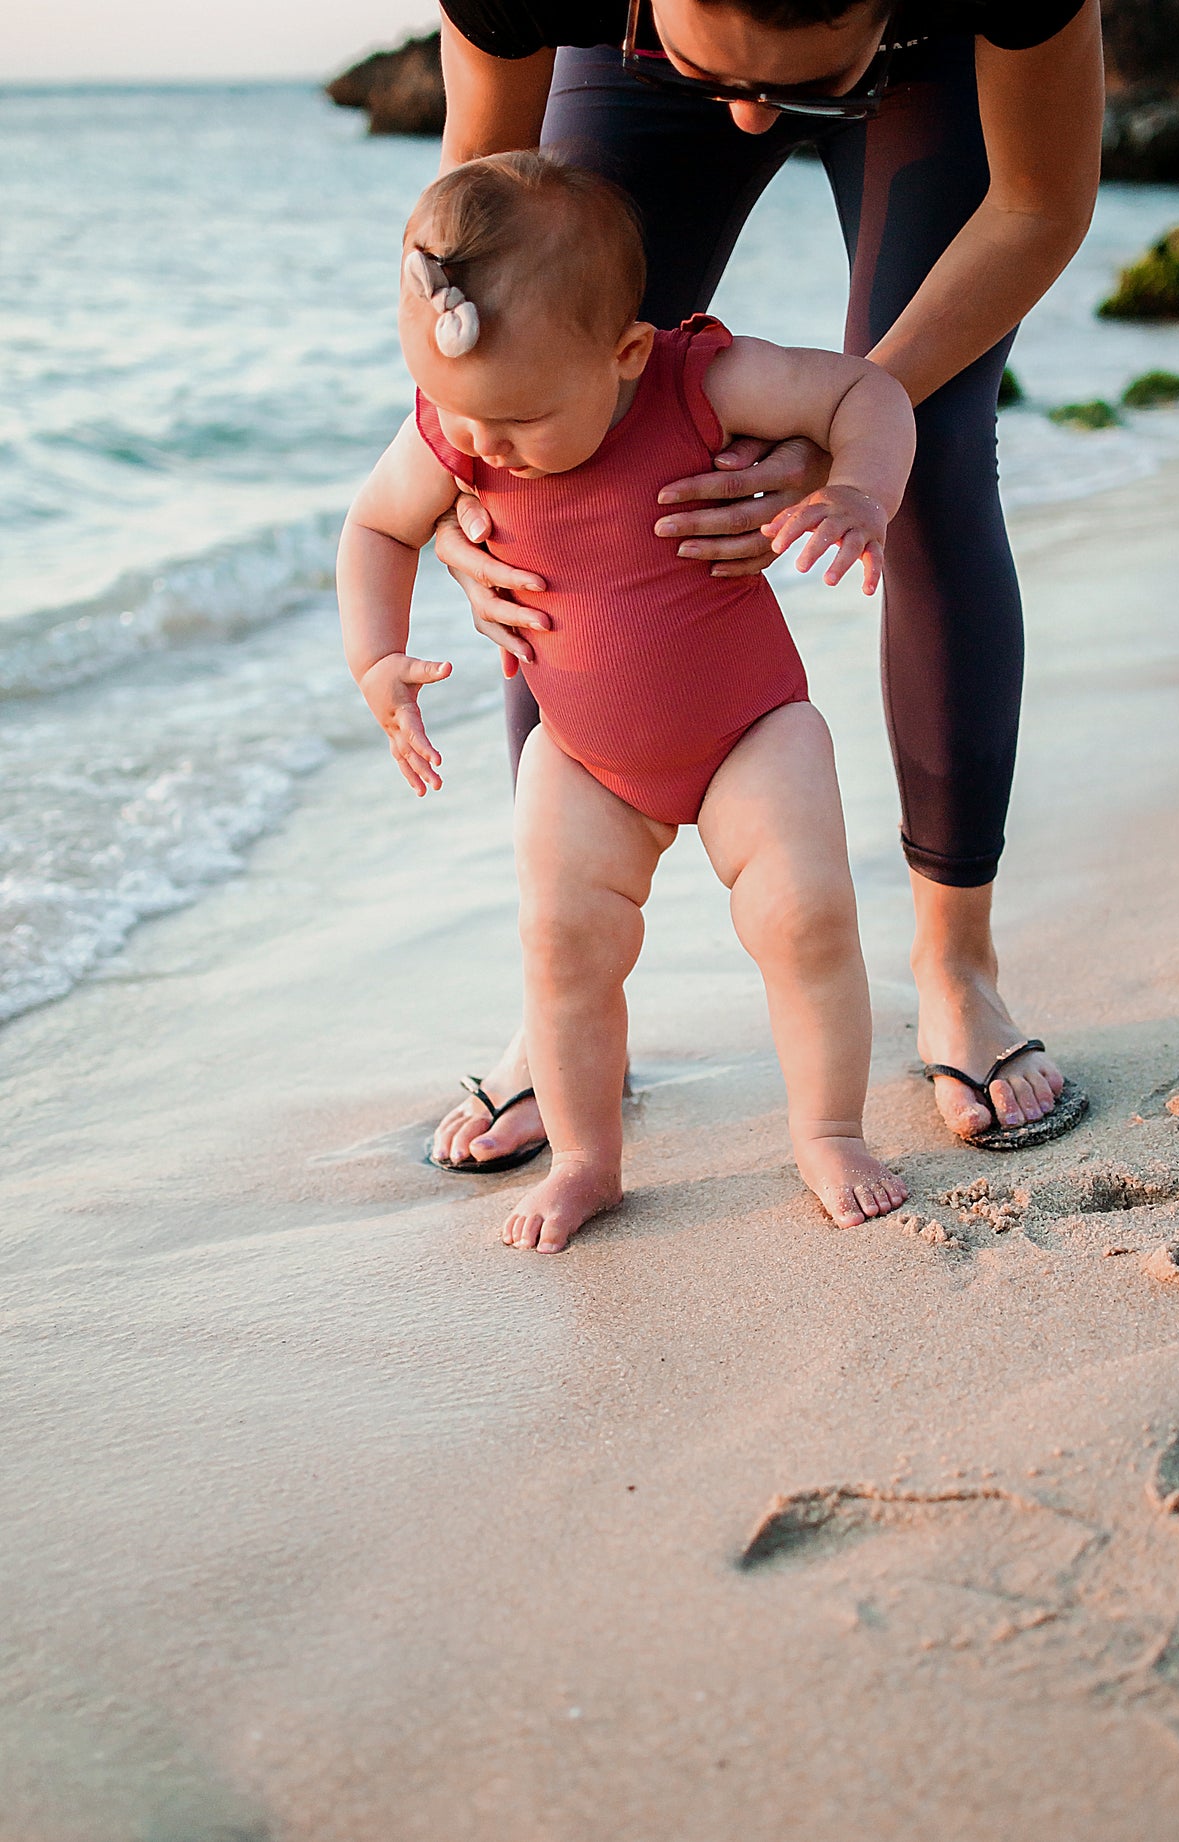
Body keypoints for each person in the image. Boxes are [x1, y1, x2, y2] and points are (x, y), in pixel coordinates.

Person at [426, 0, 1101, 1171]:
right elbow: (466, 257)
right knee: (558, 432)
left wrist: (850, 430)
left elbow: (1039, 203)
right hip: (660, 60)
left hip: (929, 67)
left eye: (805, 86)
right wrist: (465, 478)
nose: (748, 120)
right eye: (706, 71)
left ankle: (957, 964)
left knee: (930, 455)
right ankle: (563, 1000)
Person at [338, 152, 917, 1248]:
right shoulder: (459, 426)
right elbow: (375, 527)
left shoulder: (698, 382)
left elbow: (866, 393)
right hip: (585, 755)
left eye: (517, 419)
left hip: (752, 730)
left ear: (625, 355)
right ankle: (586, 1161)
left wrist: (857, 490)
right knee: (561, 944)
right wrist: (378, 660)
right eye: (458, 414)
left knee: (802, 917)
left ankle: (829, 1131)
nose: (479, 446)